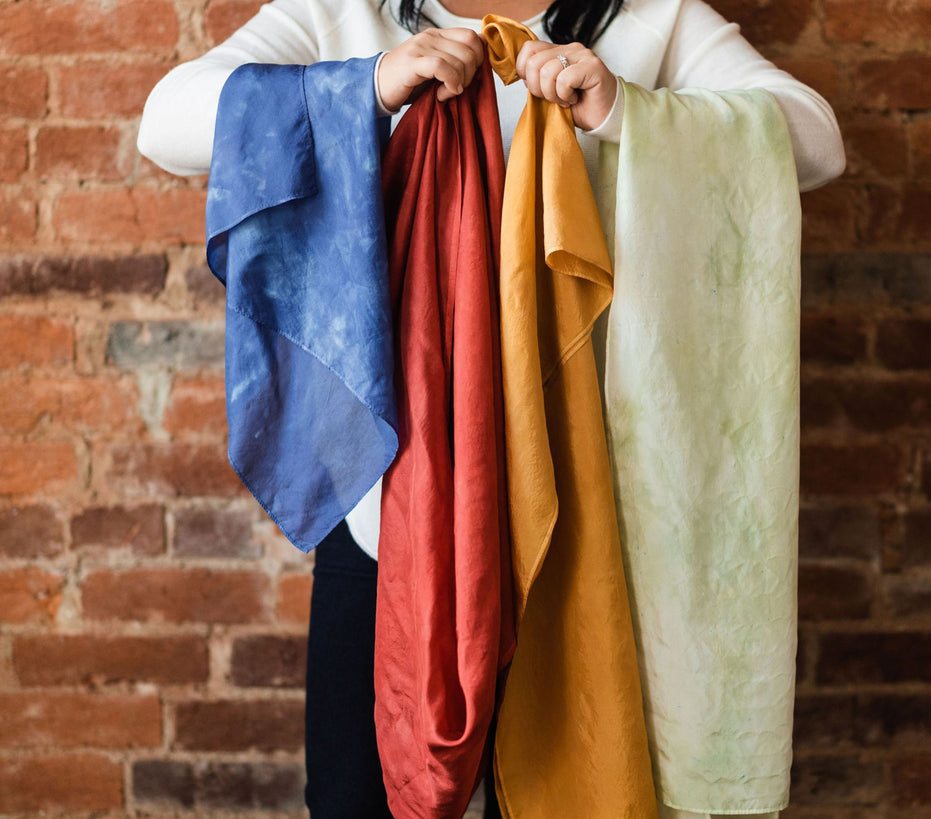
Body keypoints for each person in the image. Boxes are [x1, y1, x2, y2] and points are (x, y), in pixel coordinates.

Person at [138, 1, 845, 816]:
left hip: (589, 516)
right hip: (385, 509)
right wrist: (366, 85)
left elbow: (816, 141)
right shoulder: (343, 13)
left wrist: (625, 111)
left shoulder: (653, 20)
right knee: (355, 797)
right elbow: (168, 121)